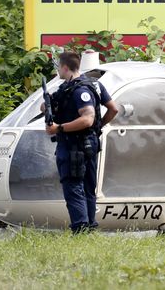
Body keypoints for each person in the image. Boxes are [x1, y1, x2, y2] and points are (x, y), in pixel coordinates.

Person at [44, 51, 118, 233]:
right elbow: (113, 109)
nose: (57, 71)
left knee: (73, 185)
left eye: (58, 67)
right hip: (89, 143)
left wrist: (58, 128)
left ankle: (81, 228)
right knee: (87, 186)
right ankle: (89, 225)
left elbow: (87, 119)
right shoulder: (93, 84)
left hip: (73, 146)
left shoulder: (79, 90)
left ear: (65, 67)